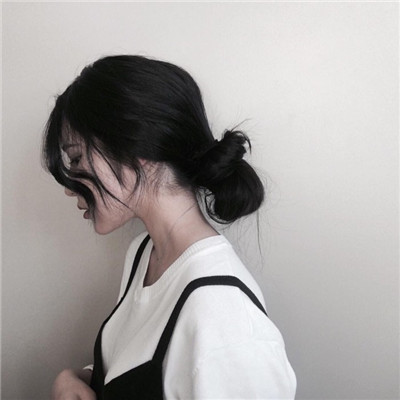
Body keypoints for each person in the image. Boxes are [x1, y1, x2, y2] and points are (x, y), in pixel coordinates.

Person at [43, 55, 296, 400]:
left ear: (135, 147)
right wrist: (75, 378)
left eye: (76, 158)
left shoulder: (225, 324)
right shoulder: (144, 253)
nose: (70, 186)